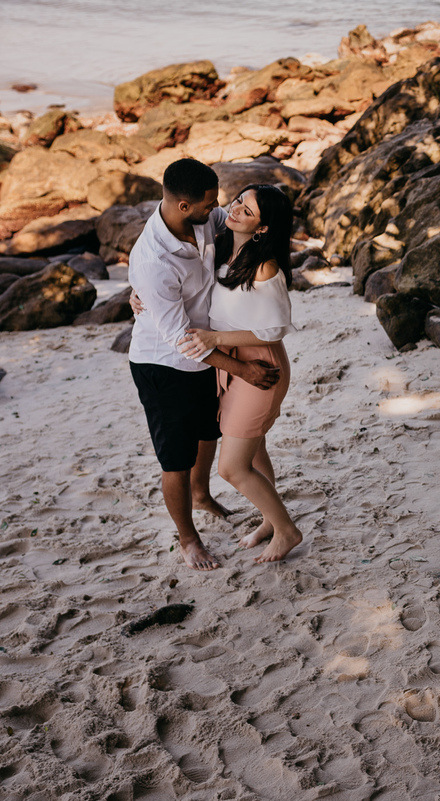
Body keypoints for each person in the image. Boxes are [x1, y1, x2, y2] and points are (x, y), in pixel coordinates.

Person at [128, 159, 279, 571]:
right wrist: (241, 368)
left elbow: (234, 222)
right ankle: (188, 537)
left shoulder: (202, 218)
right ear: (182, 205)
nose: (219, 208)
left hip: (205, 355)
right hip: (163, 365)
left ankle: (202, 493)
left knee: (208, 432)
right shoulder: (154, 261)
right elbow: (178, 339)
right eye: (211, 202)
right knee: (175, 458)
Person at [177, 184, 304, 563]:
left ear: (263, 228)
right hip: (230, 365)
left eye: (247, 212)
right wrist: (140, 294)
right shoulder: (222, 245)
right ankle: (271, 519)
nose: (235, 211)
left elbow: (276, 327)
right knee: (256, 447)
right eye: (238, 203)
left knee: (232, 468)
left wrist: (215, 336)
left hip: (258, 365)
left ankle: (286, 530)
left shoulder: (264, 265)